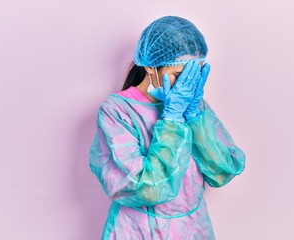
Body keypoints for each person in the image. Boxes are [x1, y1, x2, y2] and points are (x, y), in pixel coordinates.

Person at [89, 15, 246, 240]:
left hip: (192, 229)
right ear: (151, 68)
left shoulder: (193, 106)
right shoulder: (117, 112)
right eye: (179, 75)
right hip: (138, 230)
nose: (186, 85)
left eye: (194, 74)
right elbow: (148, 188)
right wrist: (171, 120)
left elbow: (223, 171)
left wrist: (194, 118)